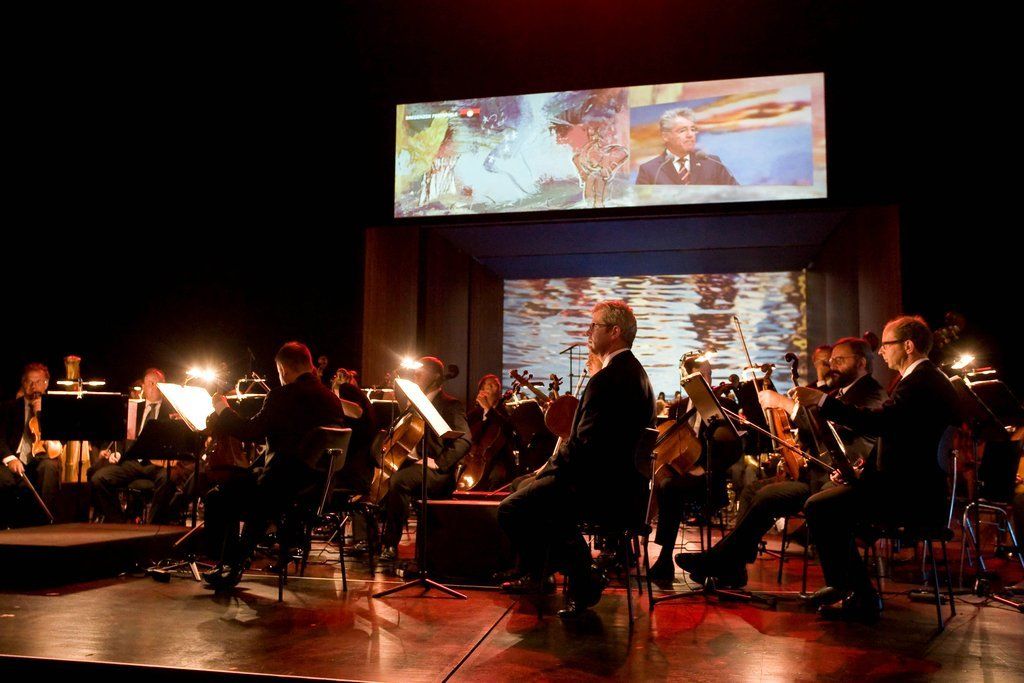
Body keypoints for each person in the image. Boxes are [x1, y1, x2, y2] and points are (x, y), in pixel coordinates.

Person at [673, 338, 886, 587]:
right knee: (753, 490)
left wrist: (785, 404)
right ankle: (733, 567)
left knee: (768, 496)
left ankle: (723, 561)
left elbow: (838, 428)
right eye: (831, 360)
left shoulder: (872, 393)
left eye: (839, 360)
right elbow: (815, 435)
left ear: (861, 362)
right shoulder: (840, 392)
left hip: (837, 483)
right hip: (816, 476)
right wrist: (793, 449)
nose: (832, 366)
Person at [792, 316, 961, 620]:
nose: (881, 351)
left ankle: (857, 594)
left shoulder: (920, 382)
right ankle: (849, 588)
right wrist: (860, 472)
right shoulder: (923, 379)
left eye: (886, 344)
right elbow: (898, 438)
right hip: (912, 488)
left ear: (908, 346)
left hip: (911, 497)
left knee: (820, 507)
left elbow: (878, 423)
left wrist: (822, 401)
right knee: (827, 503)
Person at [498, 300, 655, 617]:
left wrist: (547, 471)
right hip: (620, 486)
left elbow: (585, 446)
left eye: (594, 325)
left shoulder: (609, 379)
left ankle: (582, 577)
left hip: (602, 489)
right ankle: (547, 574)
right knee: (528, 491)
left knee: (512, 508)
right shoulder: (635, 373)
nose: (587, 332)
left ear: (615, 332)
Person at [202, 341, 348, 589]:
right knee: (245, 483)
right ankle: (236, 559)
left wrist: (222, 410)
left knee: (218, 496)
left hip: (281, 488)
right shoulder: (331, 399)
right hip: (319, 488)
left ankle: (229, 563)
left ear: (283, 370)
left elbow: (250, 431)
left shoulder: (282, 395)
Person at [647, 353, 742, 581]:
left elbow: (733, 450)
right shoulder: (677, 408)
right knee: (661, 481)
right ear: (686, 379)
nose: (705, 379)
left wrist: (707, 469)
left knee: (669, 487)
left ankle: (665, 558)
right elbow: (673, 445)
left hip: (709, 479)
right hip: (681, 472)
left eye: (708, 374)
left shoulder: (725, 406)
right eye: (699, 375)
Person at [379, 357, 471, 562]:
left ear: (436, 376)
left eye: (421, 371)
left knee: (399, 481)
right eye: (415, 371)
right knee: (374, 475)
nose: (416, 373)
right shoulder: (414, 403)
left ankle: (390, 544)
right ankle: (366, 540)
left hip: (436, 470)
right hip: (411, 463)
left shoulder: (451, 404)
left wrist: (439, 462)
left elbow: (465, 440)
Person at [90, 368, 186, 524]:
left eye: (158, 384)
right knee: (99, 478)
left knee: (168, 478)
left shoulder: (173, 411)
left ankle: (153, 524)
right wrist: (116, 452)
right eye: (150, 383)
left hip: (157, 464)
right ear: (143, 386)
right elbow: (124, 436)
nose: (154, 387)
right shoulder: (134, 408)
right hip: (133, 462)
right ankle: (118, 522)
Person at [1, 363, 62, 524]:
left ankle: (45, 523)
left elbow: (58, 443)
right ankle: (7, 524)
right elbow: (0, 438)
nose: (34, 386)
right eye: (30, 382)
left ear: (46, 384)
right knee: (3, 478)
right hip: (14, 459)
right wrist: (9, 458)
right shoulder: (9, 407)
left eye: (38, 382)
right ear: (23, 383)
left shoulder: (55, 409)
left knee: (50, 467)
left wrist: (41, 415)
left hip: (41, 457)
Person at [635, 107, 738, 185]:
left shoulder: (712, 163)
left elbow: (737, 194)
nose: (690, 135)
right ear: (666, 136)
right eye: (682, 130)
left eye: (693, 129)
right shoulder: (649, 170)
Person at [463, 374, 516, 491]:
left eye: (497, 385)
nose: (495, 387)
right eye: (490, 385)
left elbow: (507, 428)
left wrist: (488, 409)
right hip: (474, 458)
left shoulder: (507, 411)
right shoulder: (473, 414)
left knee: (495, 477)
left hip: (499, 460)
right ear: (482, 391)